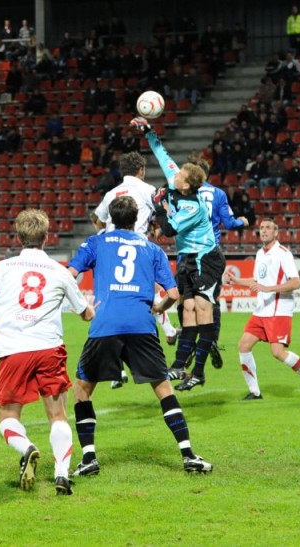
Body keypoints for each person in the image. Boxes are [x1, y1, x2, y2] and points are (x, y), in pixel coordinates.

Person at [67, 196, 213, 476]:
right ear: (136, 221)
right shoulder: (152, 249)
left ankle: (89, 459)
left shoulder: (96, 243)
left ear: (110, 218)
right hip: (141, 324)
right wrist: (159, 307)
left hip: (106, 323)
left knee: (82, 390)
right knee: (163, 389)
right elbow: (173, 294)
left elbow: (69, 275)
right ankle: (188, 454)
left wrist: (81, 307)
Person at [0, 209, 95, 494]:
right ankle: (62, 474)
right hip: (49, 349)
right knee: (58, 416)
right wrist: (90, 311)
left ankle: (27, 447)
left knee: (8, 417)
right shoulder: (60, 271)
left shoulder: (2, 268)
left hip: (14, 351)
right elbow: (85, 313)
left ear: (19, 235)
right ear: (46, 237)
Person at [132, 118, 231, 391]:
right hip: (188, 259)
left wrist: (160, 204)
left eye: (179, 176)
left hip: (206, 258)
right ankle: (178, 366)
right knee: (186, 310)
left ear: (187, 185)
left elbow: (168, 229)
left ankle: (198, 371)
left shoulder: (193, 208)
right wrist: (148, 131)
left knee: (202, 311)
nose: (173, 175)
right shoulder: (178, 181)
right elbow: (162, 154)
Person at [92, 151, 179, 386]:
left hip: (109, 249)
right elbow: (166, 212)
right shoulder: (147, 189)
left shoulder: (112, 193)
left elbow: (98, 219)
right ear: (141, 170)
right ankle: (163, 341)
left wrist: (105, 230)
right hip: (137, 247)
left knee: (110, 301)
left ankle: (117, 368)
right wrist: (159, 228)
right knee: (142, 297)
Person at [225, 219, 300, 401]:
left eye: (268, 228)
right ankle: (255, 392)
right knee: (243, 345)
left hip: (279, 310)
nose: (264, 231)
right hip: (261, 310)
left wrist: (269, 288)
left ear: (276, 233)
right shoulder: (260, 254)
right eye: (261, 228)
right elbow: (257, 282)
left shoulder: (283, 254)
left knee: (278, 352)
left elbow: (296, 282)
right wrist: (236, 280)